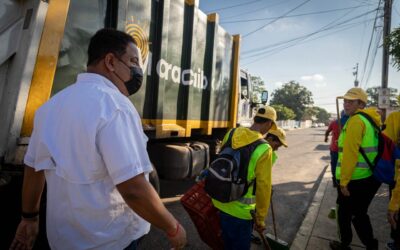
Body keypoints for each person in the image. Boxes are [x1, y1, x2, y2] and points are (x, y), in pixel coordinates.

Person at [10, 29, 186, 250]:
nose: (138, 70)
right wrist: (173, 227)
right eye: (133, 61)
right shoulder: (115, 106)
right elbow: (133, 189)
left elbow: (33, 168)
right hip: (112, 241)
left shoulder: (49, 108)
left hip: (62, 241)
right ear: (110, 61)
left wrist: (29, 218)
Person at [212, 106, 277, 250]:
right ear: (269, 124)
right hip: (241, 212)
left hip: (220, 201)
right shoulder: (264, 148)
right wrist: (260, 219)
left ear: (255, 119)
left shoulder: (232, 133)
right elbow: (264, 186)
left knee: (226, 243)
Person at [329, 87, 381, 250]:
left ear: (361, 103)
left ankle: (353, 244)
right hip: (366, 177)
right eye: (345, 100)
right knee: (356, 214)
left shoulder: (356, 121)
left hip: (354, 180)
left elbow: (350, 154)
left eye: (351, 101)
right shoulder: (369, 120)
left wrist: (343, 182)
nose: (346, 104)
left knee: (349, 215)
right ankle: (366, 244)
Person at [385, 109, 400, 250]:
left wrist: (393, 205)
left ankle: (396, 243)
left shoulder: (395, 117)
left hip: (397, 176)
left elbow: (387, 144)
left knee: (396, 214)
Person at [325, 112, 349, 187]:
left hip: (335, 149)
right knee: (345, 165)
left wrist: (326, 138)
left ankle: (335, 181)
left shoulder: (334, 122)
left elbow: (328, 131)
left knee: (335, 165)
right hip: (346, 149)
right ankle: (344, 181)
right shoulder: (351, 122)